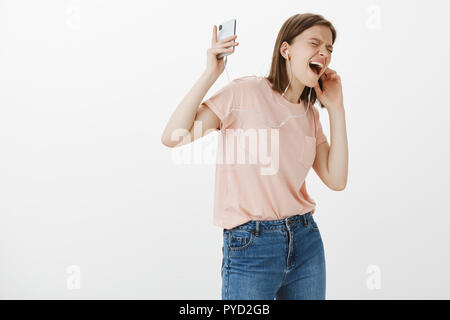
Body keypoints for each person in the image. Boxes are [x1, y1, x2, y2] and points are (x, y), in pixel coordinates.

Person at [161, 13, 348, 300]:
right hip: (252, 244)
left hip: (305, 240)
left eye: (329, 49)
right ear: (286, 50)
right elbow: (174, 135)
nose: (324, 53)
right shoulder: (244, 92)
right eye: (315, 43)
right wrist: (211, 73)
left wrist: (336, 109)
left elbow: (336, 180)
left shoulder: (310, 114)